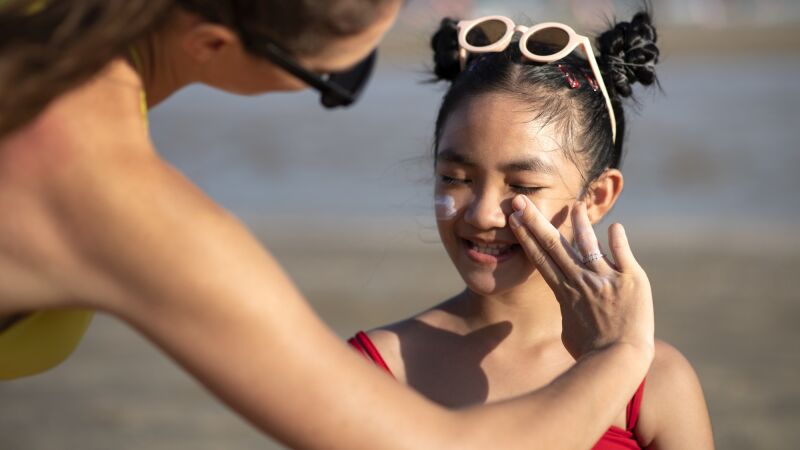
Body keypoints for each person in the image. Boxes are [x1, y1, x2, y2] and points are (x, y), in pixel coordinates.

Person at [0, 1, 655, 448]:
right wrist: (620, 355)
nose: (483, 209)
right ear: (209, 42)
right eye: (335, 80)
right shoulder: (107, 197)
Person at [349, 11, 714, 449]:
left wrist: (622, 358)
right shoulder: (372, 369)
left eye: (523, 185)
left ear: (597, 197)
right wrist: (616, 360)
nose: (483, 214)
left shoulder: (655, 382)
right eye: (455, 178)